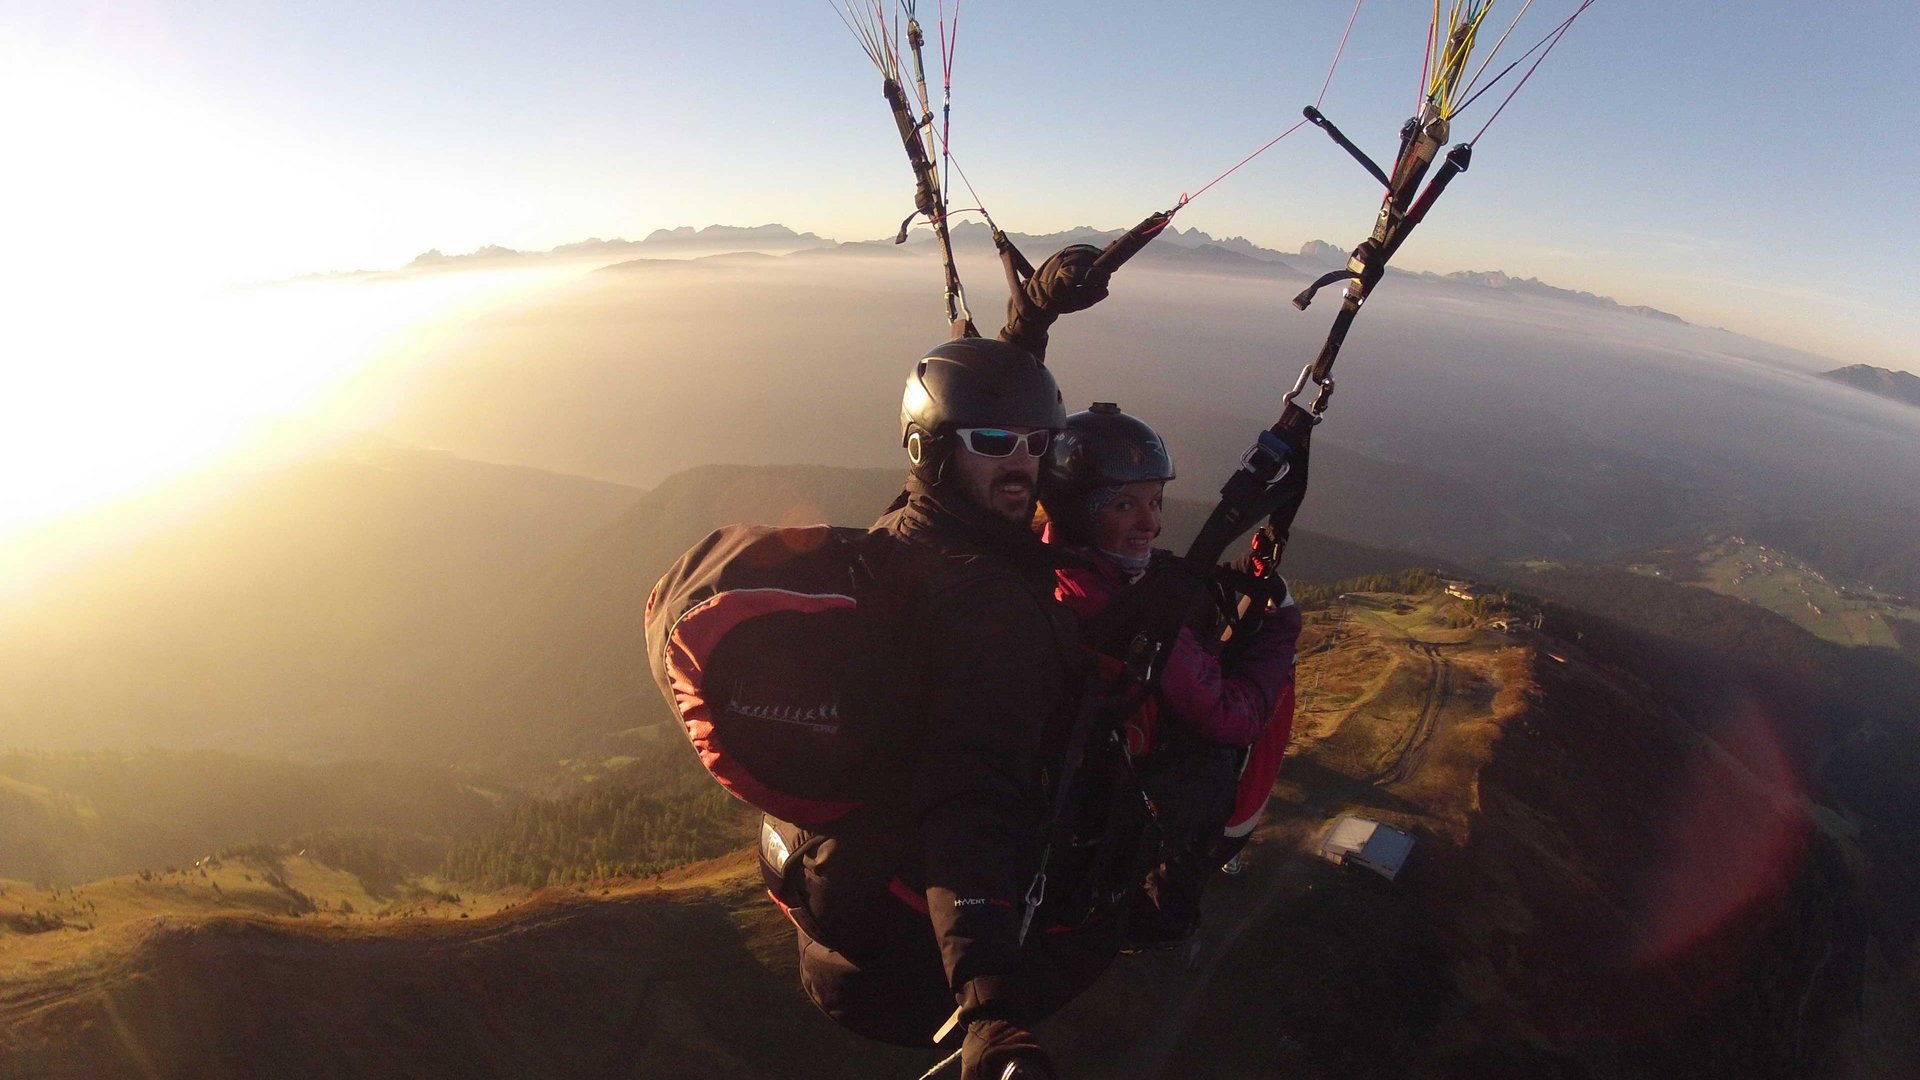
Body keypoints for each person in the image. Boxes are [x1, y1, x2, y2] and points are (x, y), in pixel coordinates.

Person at [767, 336, 1094, 1080]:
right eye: (994, 442)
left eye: (1037, 441)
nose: (1023, 463)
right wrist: (989, 1007)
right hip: (912, 972)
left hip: (845, 908)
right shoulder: (990, 612)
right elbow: (971, 797)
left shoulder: (904, 531)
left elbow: (973, 407)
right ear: (933, 450)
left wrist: (1030, 318)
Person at [1040, 403, 1301, 945]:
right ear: (1079, 513)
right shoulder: (1141, 628)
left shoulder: (1049, 569)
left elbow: (1173, 582)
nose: (1152, 522)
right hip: (1180, 803)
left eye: (1155, 501)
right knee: (1275, 691)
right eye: (1125, 505)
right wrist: (1282, 627)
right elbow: (1233, 719)